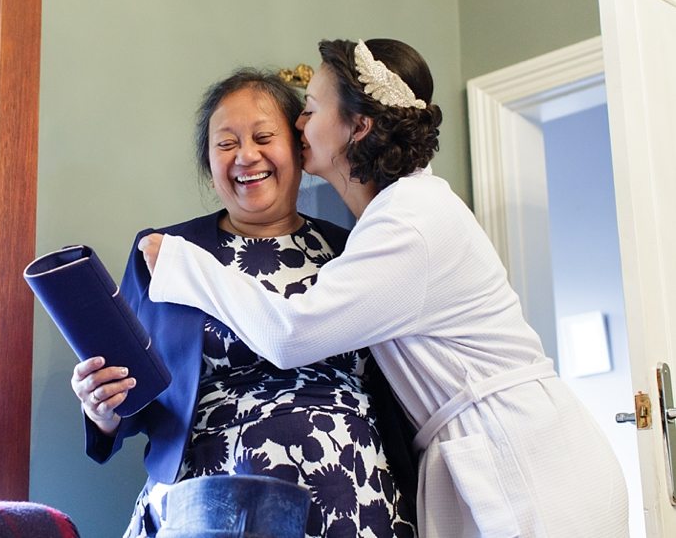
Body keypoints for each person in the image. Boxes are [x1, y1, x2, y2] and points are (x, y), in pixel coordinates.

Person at [139, 40, 630, 537]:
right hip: (491, 449)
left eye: (309, 110)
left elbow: (291, 333)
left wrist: (185, 265)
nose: (301, 125)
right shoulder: (391, 218)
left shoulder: (408, 224)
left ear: (358, 125)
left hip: (525, 460)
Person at [71, 67, 417, 538]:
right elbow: (134, 402)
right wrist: (103, 412)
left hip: (353, 494)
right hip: (205, 496)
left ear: (299, 148)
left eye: (263, 136)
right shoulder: (163, 253)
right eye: (226, 143)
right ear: (208, 164)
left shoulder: (354, 248)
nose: (246, 156)